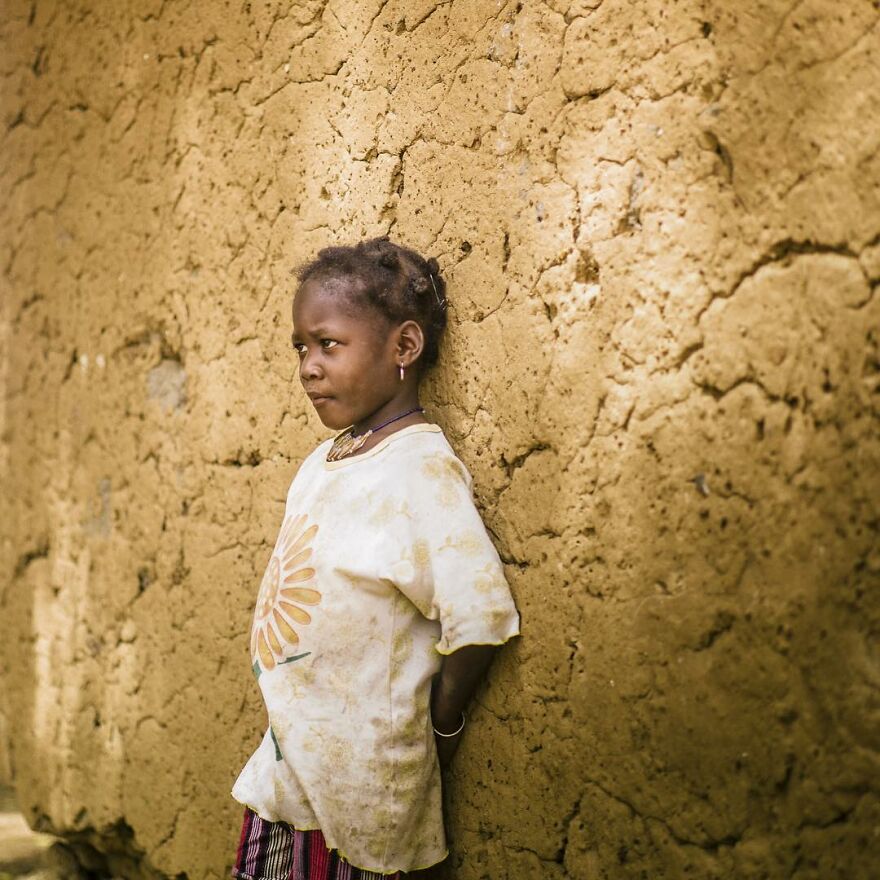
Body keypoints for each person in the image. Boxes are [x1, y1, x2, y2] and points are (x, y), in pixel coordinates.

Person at [229, 237, 521, 880]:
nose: (308, 366)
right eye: (301, 348)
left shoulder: (419, 469)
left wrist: (438, 728)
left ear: (404, 347)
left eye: (328, 344)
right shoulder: (322, 461)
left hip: (367, 787)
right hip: (286, 774)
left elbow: (478, 617)